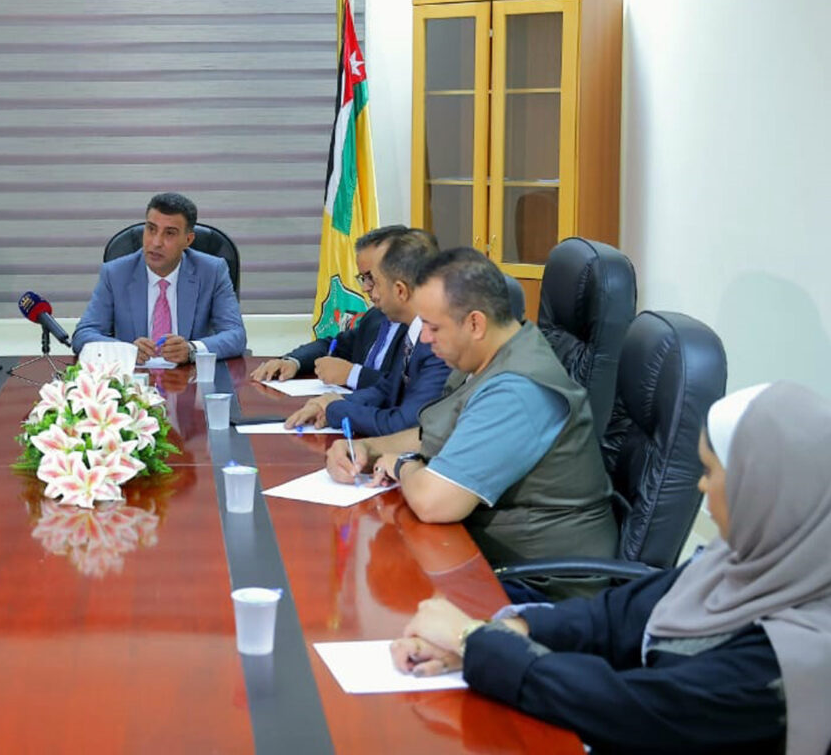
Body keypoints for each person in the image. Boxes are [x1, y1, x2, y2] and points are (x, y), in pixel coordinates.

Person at [392, 382, 831, 755]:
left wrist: (472, 642)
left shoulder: (797, 657)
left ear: (768, 492)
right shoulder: (747, 567)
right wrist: (504, 632)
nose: (701, 487)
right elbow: (614, 617)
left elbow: (629, 708)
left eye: (711, 472)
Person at [327, 248, 616, 599]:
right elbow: (436, 434)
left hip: (540, 587)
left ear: (475, 324)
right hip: (486, 559)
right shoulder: (488, 358)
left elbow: (434, 502)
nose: (425, 338)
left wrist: (401, 465)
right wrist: (368, 448)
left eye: (433, 327)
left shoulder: (517, 390)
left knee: (394, 600)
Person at [283, 229, 449, 436]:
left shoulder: (436, 343)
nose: (368, 290)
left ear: (400, 290)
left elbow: (404, 425)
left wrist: (336, 409)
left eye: (375, 281)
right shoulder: (411, 331)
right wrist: (330, 403)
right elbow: (387, 389)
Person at [71, 192, 246, 363]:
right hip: (135, 378)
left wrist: (191, 349)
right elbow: (83, 335)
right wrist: (126, 350)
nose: (156, 242)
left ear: (188, 240)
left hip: (191, 377)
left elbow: (236, 335)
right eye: (151, 229)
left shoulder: (212, 271)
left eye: (169, 233)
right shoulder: (115, 273)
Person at [250, 225, 410, 390]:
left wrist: (352, 375)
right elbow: (333, 345)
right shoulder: (375, 317)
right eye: (363, 278)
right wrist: (292, 362)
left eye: (371, 277)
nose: (365, 288)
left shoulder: (419, 328)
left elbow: (407, 388)